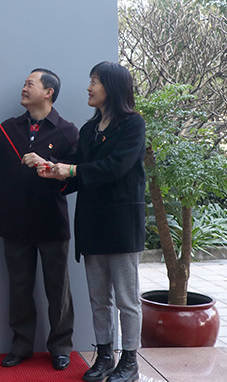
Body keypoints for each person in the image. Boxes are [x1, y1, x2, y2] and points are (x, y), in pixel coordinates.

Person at [34, 62, 145, 382]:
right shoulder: (88, 130)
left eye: (94, 81)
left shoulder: (133, 124)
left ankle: (130, 361)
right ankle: (105, 356)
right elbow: (80, 174)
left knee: (126, 299)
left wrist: (70, 170)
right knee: (99, 298)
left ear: (112, 87)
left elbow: (115, 167)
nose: (88, 87)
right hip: (92, 223)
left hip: (122, 224)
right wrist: (55, 173)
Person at [0, 68, 78, 371]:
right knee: (19, 288)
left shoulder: (67, 131)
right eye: (24, 84)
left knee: (58, 289)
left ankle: (61, 348)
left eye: (30, 84)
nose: (24, 88)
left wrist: (49, 165)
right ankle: (21, 346)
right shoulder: (10, 127)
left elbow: (77, 176)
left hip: (52, 223)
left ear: (48, 93)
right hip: (14, 221)